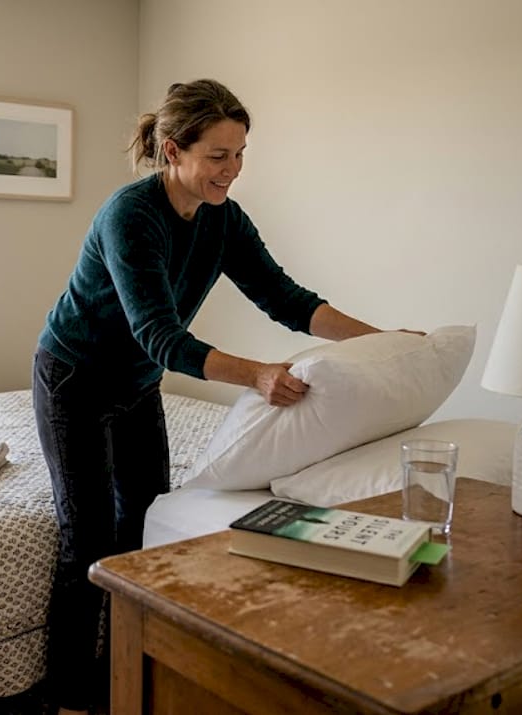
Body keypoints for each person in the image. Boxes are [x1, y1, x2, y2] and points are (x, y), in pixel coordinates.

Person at [32, 79, 398, 714]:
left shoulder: (223, 220)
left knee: (142, 527)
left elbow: (288, 300)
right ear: (173, 150)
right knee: (86, 537)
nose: (232, 170)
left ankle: (118, 673)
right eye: (218, 156)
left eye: (240, 153)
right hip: (75, 378)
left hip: (138, 387)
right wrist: (257, 374)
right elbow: (159, 336)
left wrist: (385, 340)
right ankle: (65, 699)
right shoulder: (130, 216)